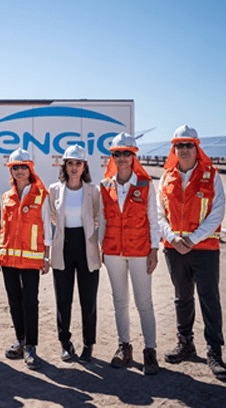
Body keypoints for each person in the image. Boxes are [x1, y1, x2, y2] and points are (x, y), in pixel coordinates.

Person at [157, 125, 226, 379]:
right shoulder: (166, 177)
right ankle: (185, 343)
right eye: (180, 145)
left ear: (197, 147)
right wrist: (175, 239)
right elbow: (159, 214)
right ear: (173, 149)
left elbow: (217, 211)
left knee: (209, 298)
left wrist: (193, 239)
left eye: (189, 145)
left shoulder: (212, 175)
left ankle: (214, 350)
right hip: (174, 249)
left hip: (205, 249)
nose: (184, 149)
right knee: (182, 298)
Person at [98, 132, 160, 375]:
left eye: (126, 153)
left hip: (139, 251)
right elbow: (102, 219)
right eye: (117, 154)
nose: (122, 158)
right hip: (113, 251)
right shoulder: (104, 186)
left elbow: (153, 220)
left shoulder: (145, 185)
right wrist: (100, 249)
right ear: (112, 157)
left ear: (134, 156)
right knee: (119, 301)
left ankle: (150, 351)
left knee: (144, 302)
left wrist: (154, 249)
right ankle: (124, 346)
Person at [0, 148, 51, 369]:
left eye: (23, 167)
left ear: (30, 169)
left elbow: (47, 227)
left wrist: (46, 257)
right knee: (14, 301)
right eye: (15, 167)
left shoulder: (41, 195)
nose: (19, 171)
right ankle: (20, 340)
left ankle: (31, 346)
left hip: (31, 258)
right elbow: (3, 229)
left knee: (30, 302)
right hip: (8, 258)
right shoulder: (6, 196)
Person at [47, 145, 101, 364]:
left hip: (86, 247)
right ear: (65, 165)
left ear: (84, 166)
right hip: (63, 248)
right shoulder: (54, 190)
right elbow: (52, 216)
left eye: (78, 163)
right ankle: (65, 343)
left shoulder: (93, 191)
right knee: (63, 300)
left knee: (88, 300)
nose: (74, 167)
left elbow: (97, 217)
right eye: (70, 163)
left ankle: (89, 344)